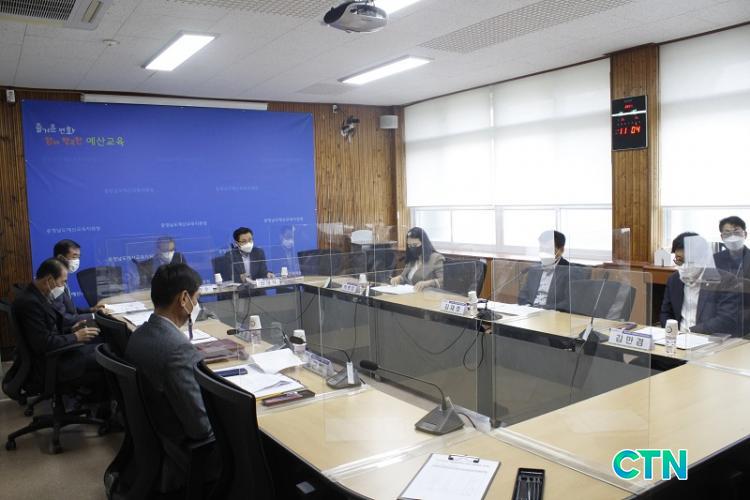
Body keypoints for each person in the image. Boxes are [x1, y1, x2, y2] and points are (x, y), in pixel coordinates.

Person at [124, 263, 216, 490]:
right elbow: (201, 428)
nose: (197, 305)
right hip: (187, 450)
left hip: (158, 440)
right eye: (197, 298)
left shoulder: (139, 334)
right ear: (184, 299)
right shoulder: (178, 350)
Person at [12, 258, 102, 387]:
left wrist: (71, 330)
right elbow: (43, 343)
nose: (63, 286)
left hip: (56, 354)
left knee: (103, 348)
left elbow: (48, 330)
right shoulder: (30, 303)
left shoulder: (37, 295)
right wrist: (75, 336)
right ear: (49, 280)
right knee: (106, 356)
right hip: (51, 364)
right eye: (63, 282)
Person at [660, 232, 739, 335]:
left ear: (703, 258)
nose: (684, 266)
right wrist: (672, 333)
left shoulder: (726, 281)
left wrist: (690, 333)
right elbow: (666, 313)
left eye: (689, 260)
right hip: (677, 338)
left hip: (709, 339)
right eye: (679, 260)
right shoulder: (674, 280)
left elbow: (725, 320)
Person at [518, 230, 579, 312]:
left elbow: (568, 302)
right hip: (530, 312)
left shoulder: (571, 271)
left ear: (561, 250)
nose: (544, 253)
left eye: (548, 249)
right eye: (542, 249)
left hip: (552, 314)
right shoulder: (534, 269)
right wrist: (528, 307)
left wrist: (543, 309)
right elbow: (523, 295)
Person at [52, 239, 105, 328]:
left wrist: (91, 310)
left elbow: (68, 310)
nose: (77, 261)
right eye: (74, 257)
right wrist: (94, 316)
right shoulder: (54, 283)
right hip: (66, 330)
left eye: (78, 257)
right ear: (61, 258)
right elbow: (63, 318)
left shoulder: (62, 277)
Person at [714, 216, 750, 334]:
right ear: (722, 237)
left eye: (737, 232)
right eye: (727, 233)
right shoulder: (715, 259)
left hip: (746, 318)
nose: (732, 237)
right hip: (720, 319)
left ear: (745, 234)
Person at [390, 227, 444, 291]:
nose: (412, 248)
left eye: (415, 245)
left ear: (424, 243)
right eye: (410, 245)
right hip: (409, 293)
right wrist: (399, 278)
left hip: (427, 294)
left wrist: (427, 283)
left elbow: (443, 281)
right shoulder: (413, 258)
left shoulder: (436, 258)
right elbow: (404, 276)